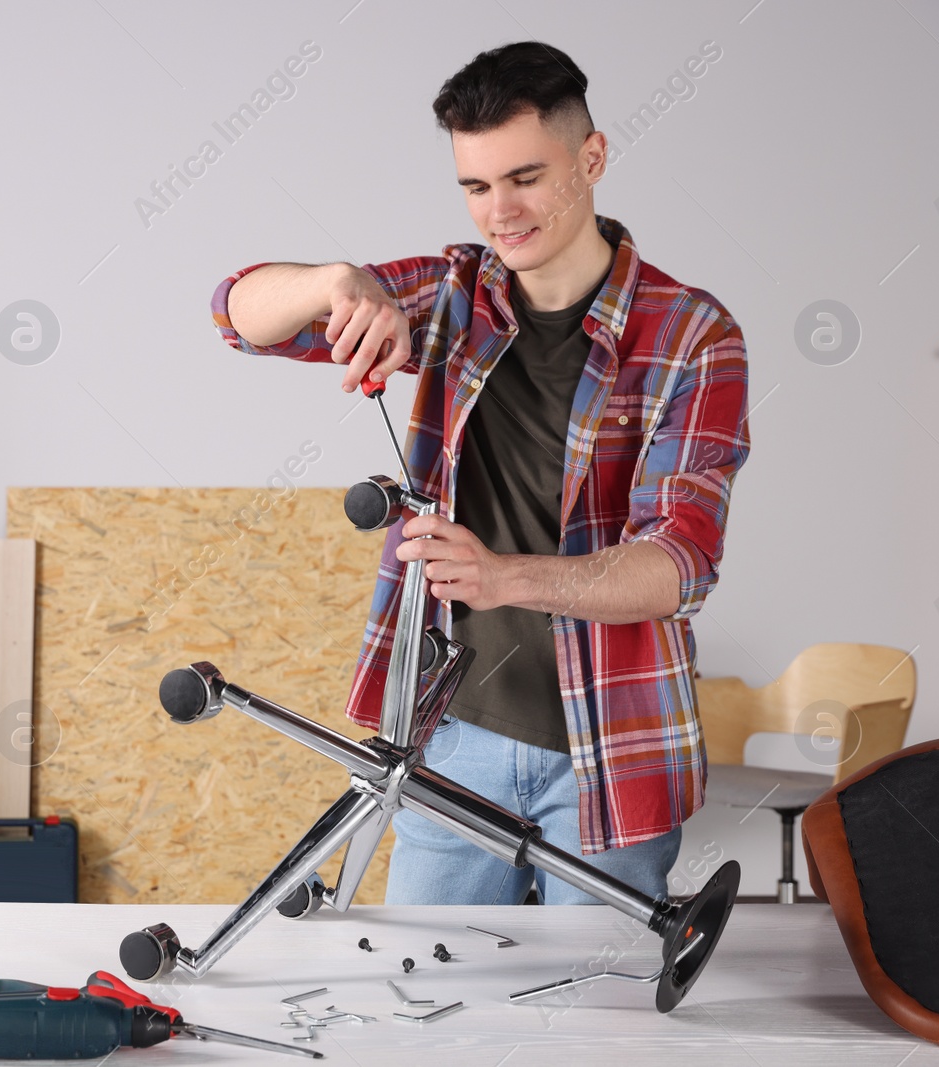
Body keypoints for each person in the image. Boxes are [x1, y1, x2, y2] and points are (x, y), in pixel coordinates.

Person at [208, 41, 750, 905]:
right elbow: (237, 313)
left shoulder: (691, 336)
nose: (501, 211)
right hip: (452, 740)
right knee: (434, 1007)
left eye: (526, 177)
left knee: (589, 1030)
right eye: (476, 186)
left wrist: (504, 577)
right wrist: (339, 283)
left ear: (593, 157)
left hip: (610, 746)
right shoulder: (459, 296)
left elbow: (679, 563)